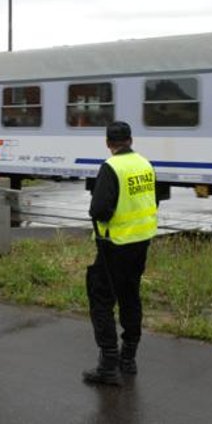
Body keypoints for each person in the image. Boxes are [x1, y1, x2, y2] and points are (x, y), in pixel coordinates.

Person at [83, 121, 158, 386]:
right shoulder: (145, 165)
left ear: (108, 143)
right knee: (130, 297)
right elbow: (152, 200)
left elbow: (99, 210)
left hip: (114, 244)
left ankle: (108, 366)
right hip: (141, 243)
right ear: (130, 140)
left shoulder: (111, 167)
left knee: (101, 299)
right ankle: (129, 360)